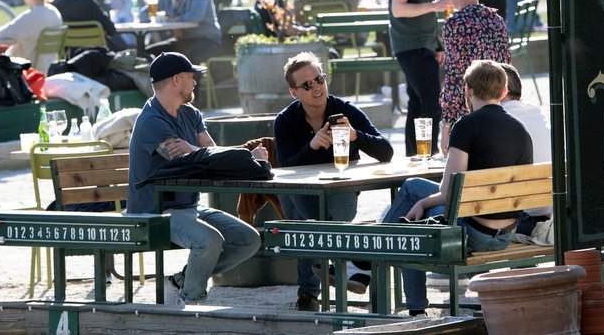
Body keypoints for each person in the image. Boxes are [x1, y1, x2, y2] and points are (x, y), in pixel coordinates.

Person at [381, 60, 533, 316]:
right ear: (504, 92)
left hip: (473, 234)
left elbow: (449, 191)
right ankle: (377, 248)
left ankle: (378, 254)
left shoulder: (466, 125)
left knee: (409, 213)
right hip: (506, 234)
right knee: (414, 190)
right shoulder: (520, 130)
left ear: (469, 90)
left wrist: (422, 203)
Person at [127, 52, 267, 305]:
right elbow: (185, 159)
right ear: (176, 80)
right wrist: (199, 154)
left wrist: (243, 155)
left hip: (189, 205)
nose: (195, 82)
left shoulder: (190, 113)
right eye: (191, 77)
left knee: (249, 240)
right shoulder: (150, 121)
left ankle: (183, 280)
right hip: (155, 209)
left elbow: (211, 153)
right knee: (209, 241)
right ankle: (191, 300)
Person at [274, 51, 394, 311]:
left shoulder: (345, 110)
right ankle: (346, 266)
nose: (316, 87)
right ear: (294, 92)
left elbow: (386, 151)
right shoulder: (285, 120)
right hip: (303, 192)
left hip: (341, 189)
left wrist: (355, 136)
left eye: (319, 79)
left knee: (317, 222)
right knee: (303, 212)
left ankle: (329, 271)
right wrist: (312, 145)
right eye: (307, 85)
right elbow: (286, 168)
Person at [389, 0, 451, 156]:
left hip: (422, 45)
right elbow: (398, 8)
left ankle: (415, 159)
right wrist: (435, 5)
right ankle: (427, 157)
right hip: (410, 45)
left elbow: (418, 7)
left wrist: (436, 44)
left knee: (417, 105)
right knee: (432, 104)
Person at [438, 0, 511, 152]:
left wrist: (447, 124)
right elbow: (507, 66)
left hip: (468, 113)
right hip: (498, 107)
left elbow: (454, 76)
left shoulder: (455, 23)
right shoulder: (497, 20)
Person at [498, 62, 552, 234]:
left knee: (413, 189)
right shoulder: (537, 113)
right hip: (550, 215)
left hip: (524, 220)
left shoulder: (498, 119)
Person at [151, 0, 222, 63]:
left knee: (186, 62)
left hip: (207, 40)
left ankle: (194, 80)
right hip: (183, 41)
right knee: (149, 53)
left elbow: (195, 16)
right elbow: (145, 12)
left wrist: (173, 20)